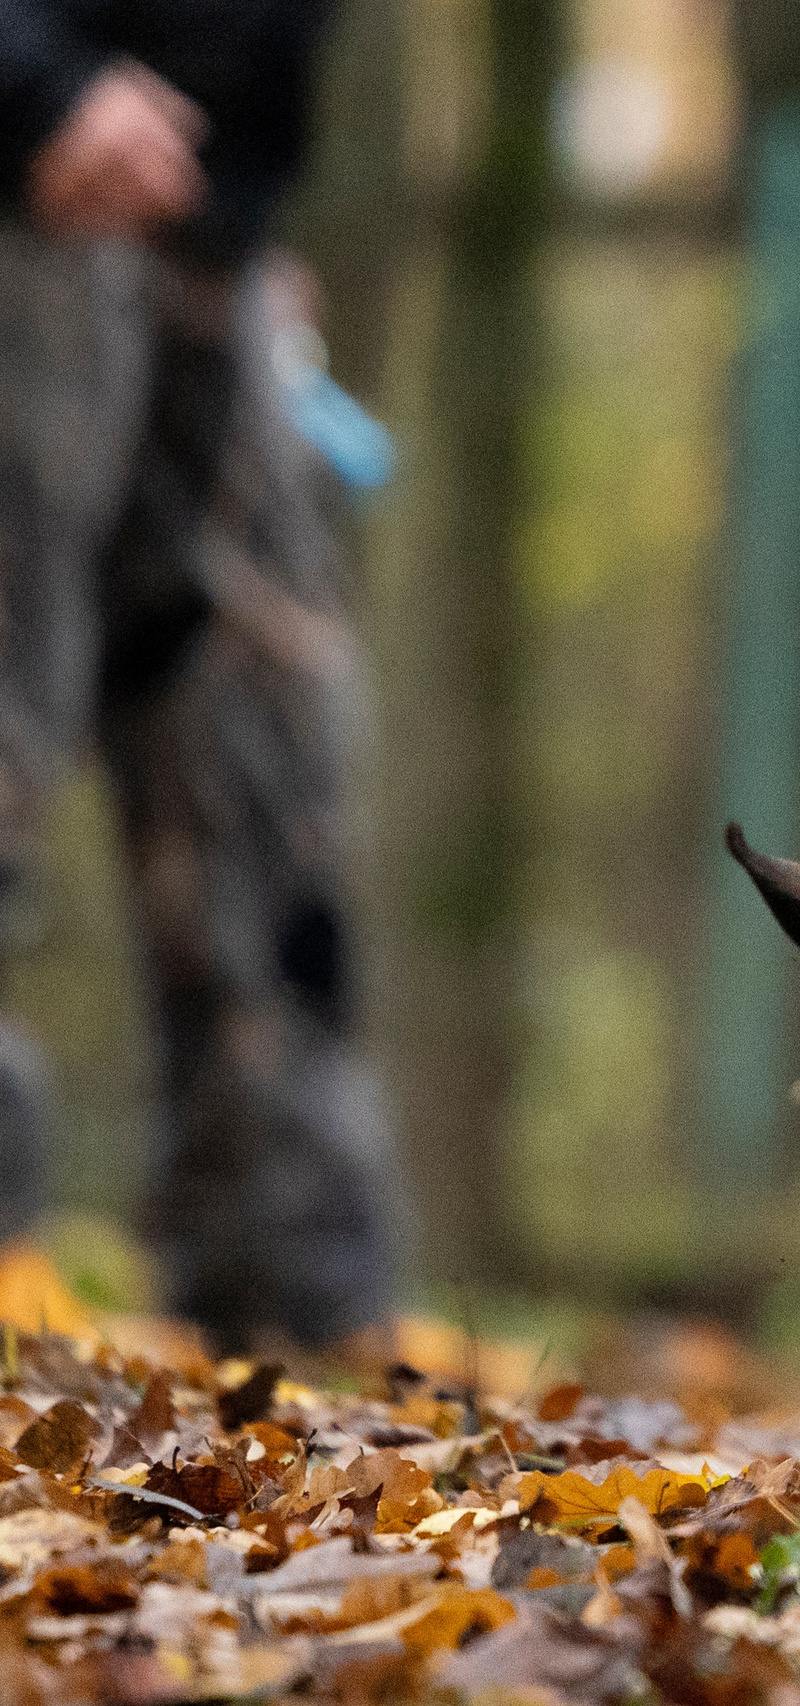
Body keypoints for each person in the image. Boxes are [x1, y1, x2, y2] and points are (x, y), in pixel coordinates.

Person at [0, 2, 405, 1351]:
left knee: (264, 786)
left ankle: (296, 1325)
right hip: (29, 185)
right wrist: (33, 86)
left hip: (198, 248)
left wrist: (238, 220)